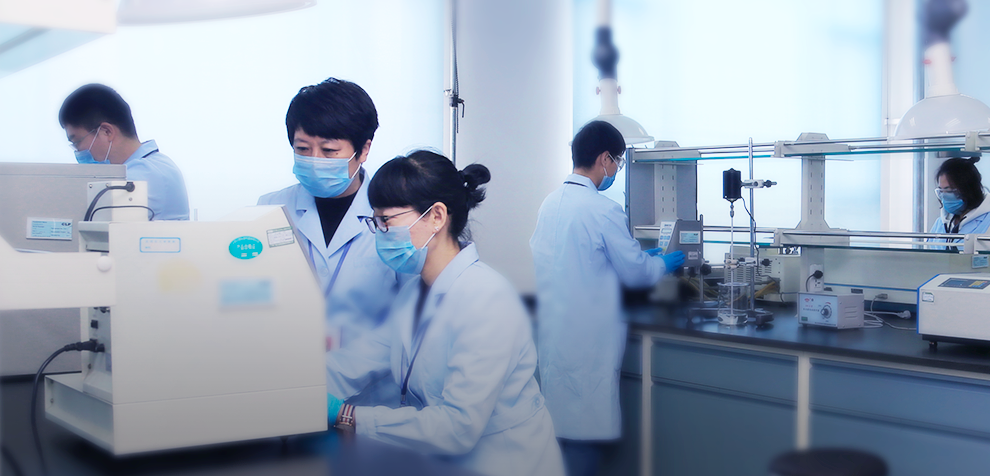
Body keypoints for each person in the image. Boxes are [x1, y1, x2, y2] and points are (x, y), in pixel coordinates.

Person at [325, 151, 564, 476]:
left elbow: (457, 427)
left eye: (386, 221)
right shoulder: (414, 293)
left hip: (507, 462)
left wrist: (348, 416)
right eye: (375, 221)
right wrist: (298, 388)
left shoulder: (486, 298)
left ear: (436, 216)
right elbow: (362, 357)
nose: (379, 232)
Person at [529, 121, 684, 476]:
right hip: (588, 346)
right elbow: (636, 274)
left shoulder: (550, 204)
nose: (616, 169)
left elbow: (578, 262)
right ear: (604, 159)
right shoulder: (603, 209)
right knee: (584, 443)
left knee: (560, 439)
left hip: (555, 339)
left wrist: (641, 259)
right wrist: (660, 264)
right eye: (618, 161)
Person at [258, 78, 399, 356]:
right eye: (302, 149)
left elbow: (410, 318)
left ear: (364, 150)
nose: (315, 160)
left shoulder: (399, 217)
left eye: (329, 151)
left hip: (370, 378)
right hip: (287, 366)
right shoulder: (270, 209)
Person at [61, 84, 189, 220]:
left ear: (106, 132)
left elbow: (86, 216)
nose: (78, 151)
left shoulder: (143, 175)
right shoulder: (155, 164)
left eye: (77, 142)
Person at [929, 157, 990, 246]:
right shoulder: (941, 223)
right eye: (941, 191)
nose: (944, 196)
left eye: (949, 190)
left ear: (968, 189)